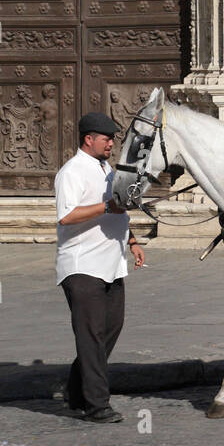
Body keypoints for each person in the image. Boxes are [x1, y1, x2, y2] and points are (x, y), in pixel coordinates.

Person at [55, 111, 145, 423]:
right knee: (91, 334)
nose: (111, 143)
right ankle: (97, 405)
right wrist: (106, 206)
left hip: (112, 262)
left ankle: (76, 389)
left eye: (112, 138)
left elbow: (117, 209)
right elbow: (67, 216)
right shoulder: (71, 172)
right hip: (82, 266)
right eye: (106, 138)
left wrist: (132, 240)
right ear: (88, 139)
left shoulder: (105, 168)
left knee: (111, 328)